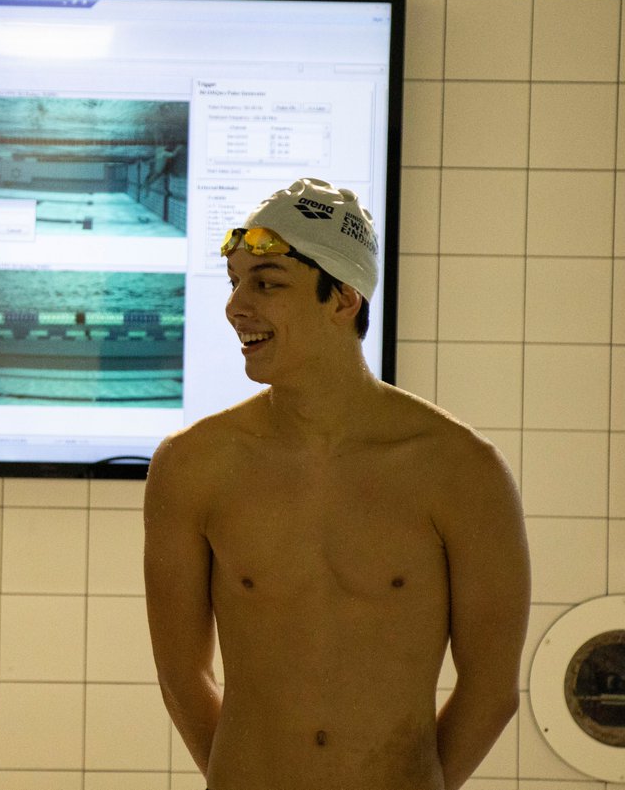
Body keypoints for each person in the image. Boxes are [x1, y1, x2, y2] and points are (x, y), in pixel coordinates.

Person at [144, 178, 529, 790]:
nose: (236, 305)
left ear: (343, 299)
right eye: (235, 281)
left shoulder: (461, 470)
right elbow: (182, 677)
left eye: (266, 283)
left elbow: (492, 690)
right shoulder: (192, 466)